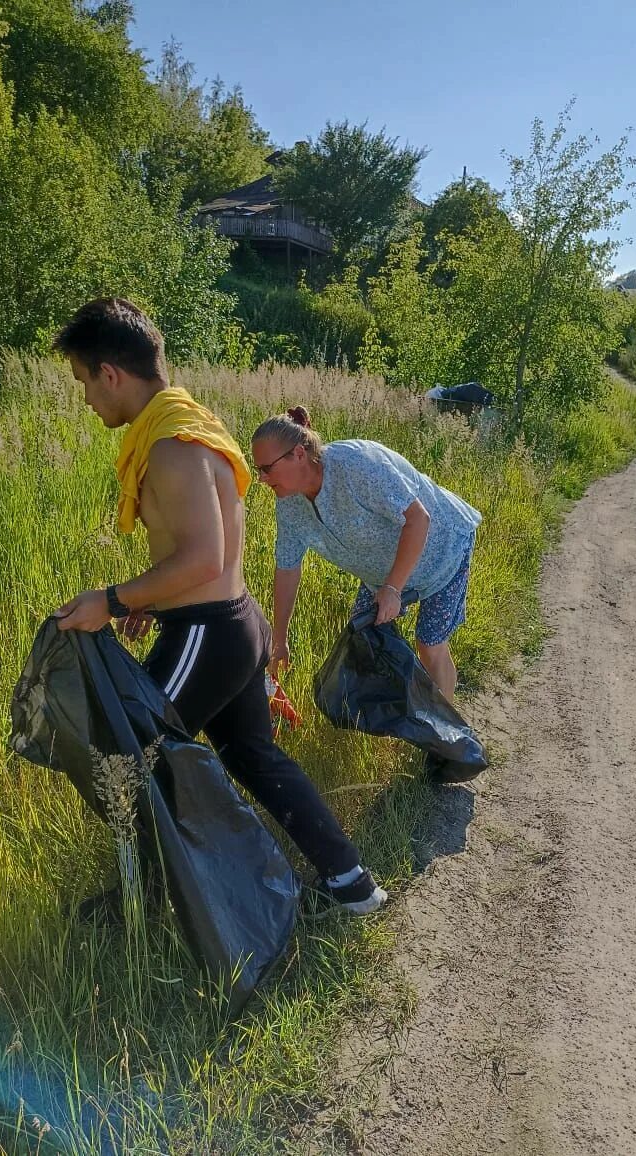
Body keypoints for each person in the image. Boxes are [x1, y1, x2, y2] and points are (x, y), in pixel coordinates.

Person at [50, 299, 387, 917]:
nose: (88, 400)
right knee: (252, 755)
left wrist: (113, 599)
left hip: (208, 632)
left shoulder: (171, 449)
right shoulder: (191, 422)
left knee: (134, 761)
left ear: (110, 374)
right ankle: (351, 883)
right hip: (232, 623)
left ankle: (151, 898)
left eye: (84, 383)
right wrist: (154, 598)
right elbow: (202, 552)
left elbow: (203, 558)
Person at [251, 407, 481, 704]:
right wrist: (279, 640)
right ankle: (400, 723)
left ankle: (446, 741)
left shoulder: (357, 465)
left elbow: (419, 519)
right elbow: (287, 567)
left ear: (298, 454)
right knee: (364, 640)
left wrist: (393, 589)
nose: (261, 479)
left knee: (430, 645)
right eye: (257, 470)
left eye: (266, 469)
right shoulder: (289, 504)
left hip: (442, 549)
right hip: (382, 574)